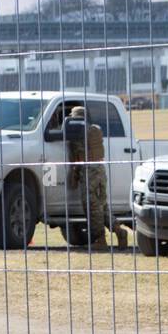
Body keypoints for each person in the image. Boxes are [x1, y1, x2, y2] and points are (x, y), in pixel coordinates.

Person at [64, 105, 108, 247]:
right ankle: (120, 231)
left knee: (91, 206)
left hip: (89, 171)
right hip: (100, 169)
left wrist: (74, 176)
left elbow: (77, 158)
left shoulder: (78, 135)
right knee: (101, 206)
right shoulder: (95, 130)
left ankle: (101, 240)